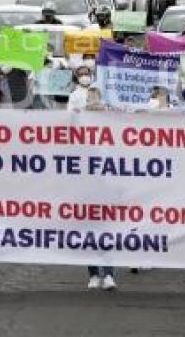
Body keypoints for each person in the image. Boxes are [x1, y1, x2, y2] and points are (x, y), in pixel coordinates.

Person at [83, 89, 117, 289]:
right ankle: (94, 274)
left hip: (106, 188)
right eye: (90, 101)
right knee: (88, 234)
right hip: (86, 189)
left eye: (96, 101)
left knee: (106, 233)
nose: (93, 105)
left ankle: (109, 274)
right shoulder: (79, 129)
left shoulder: (111, 128)